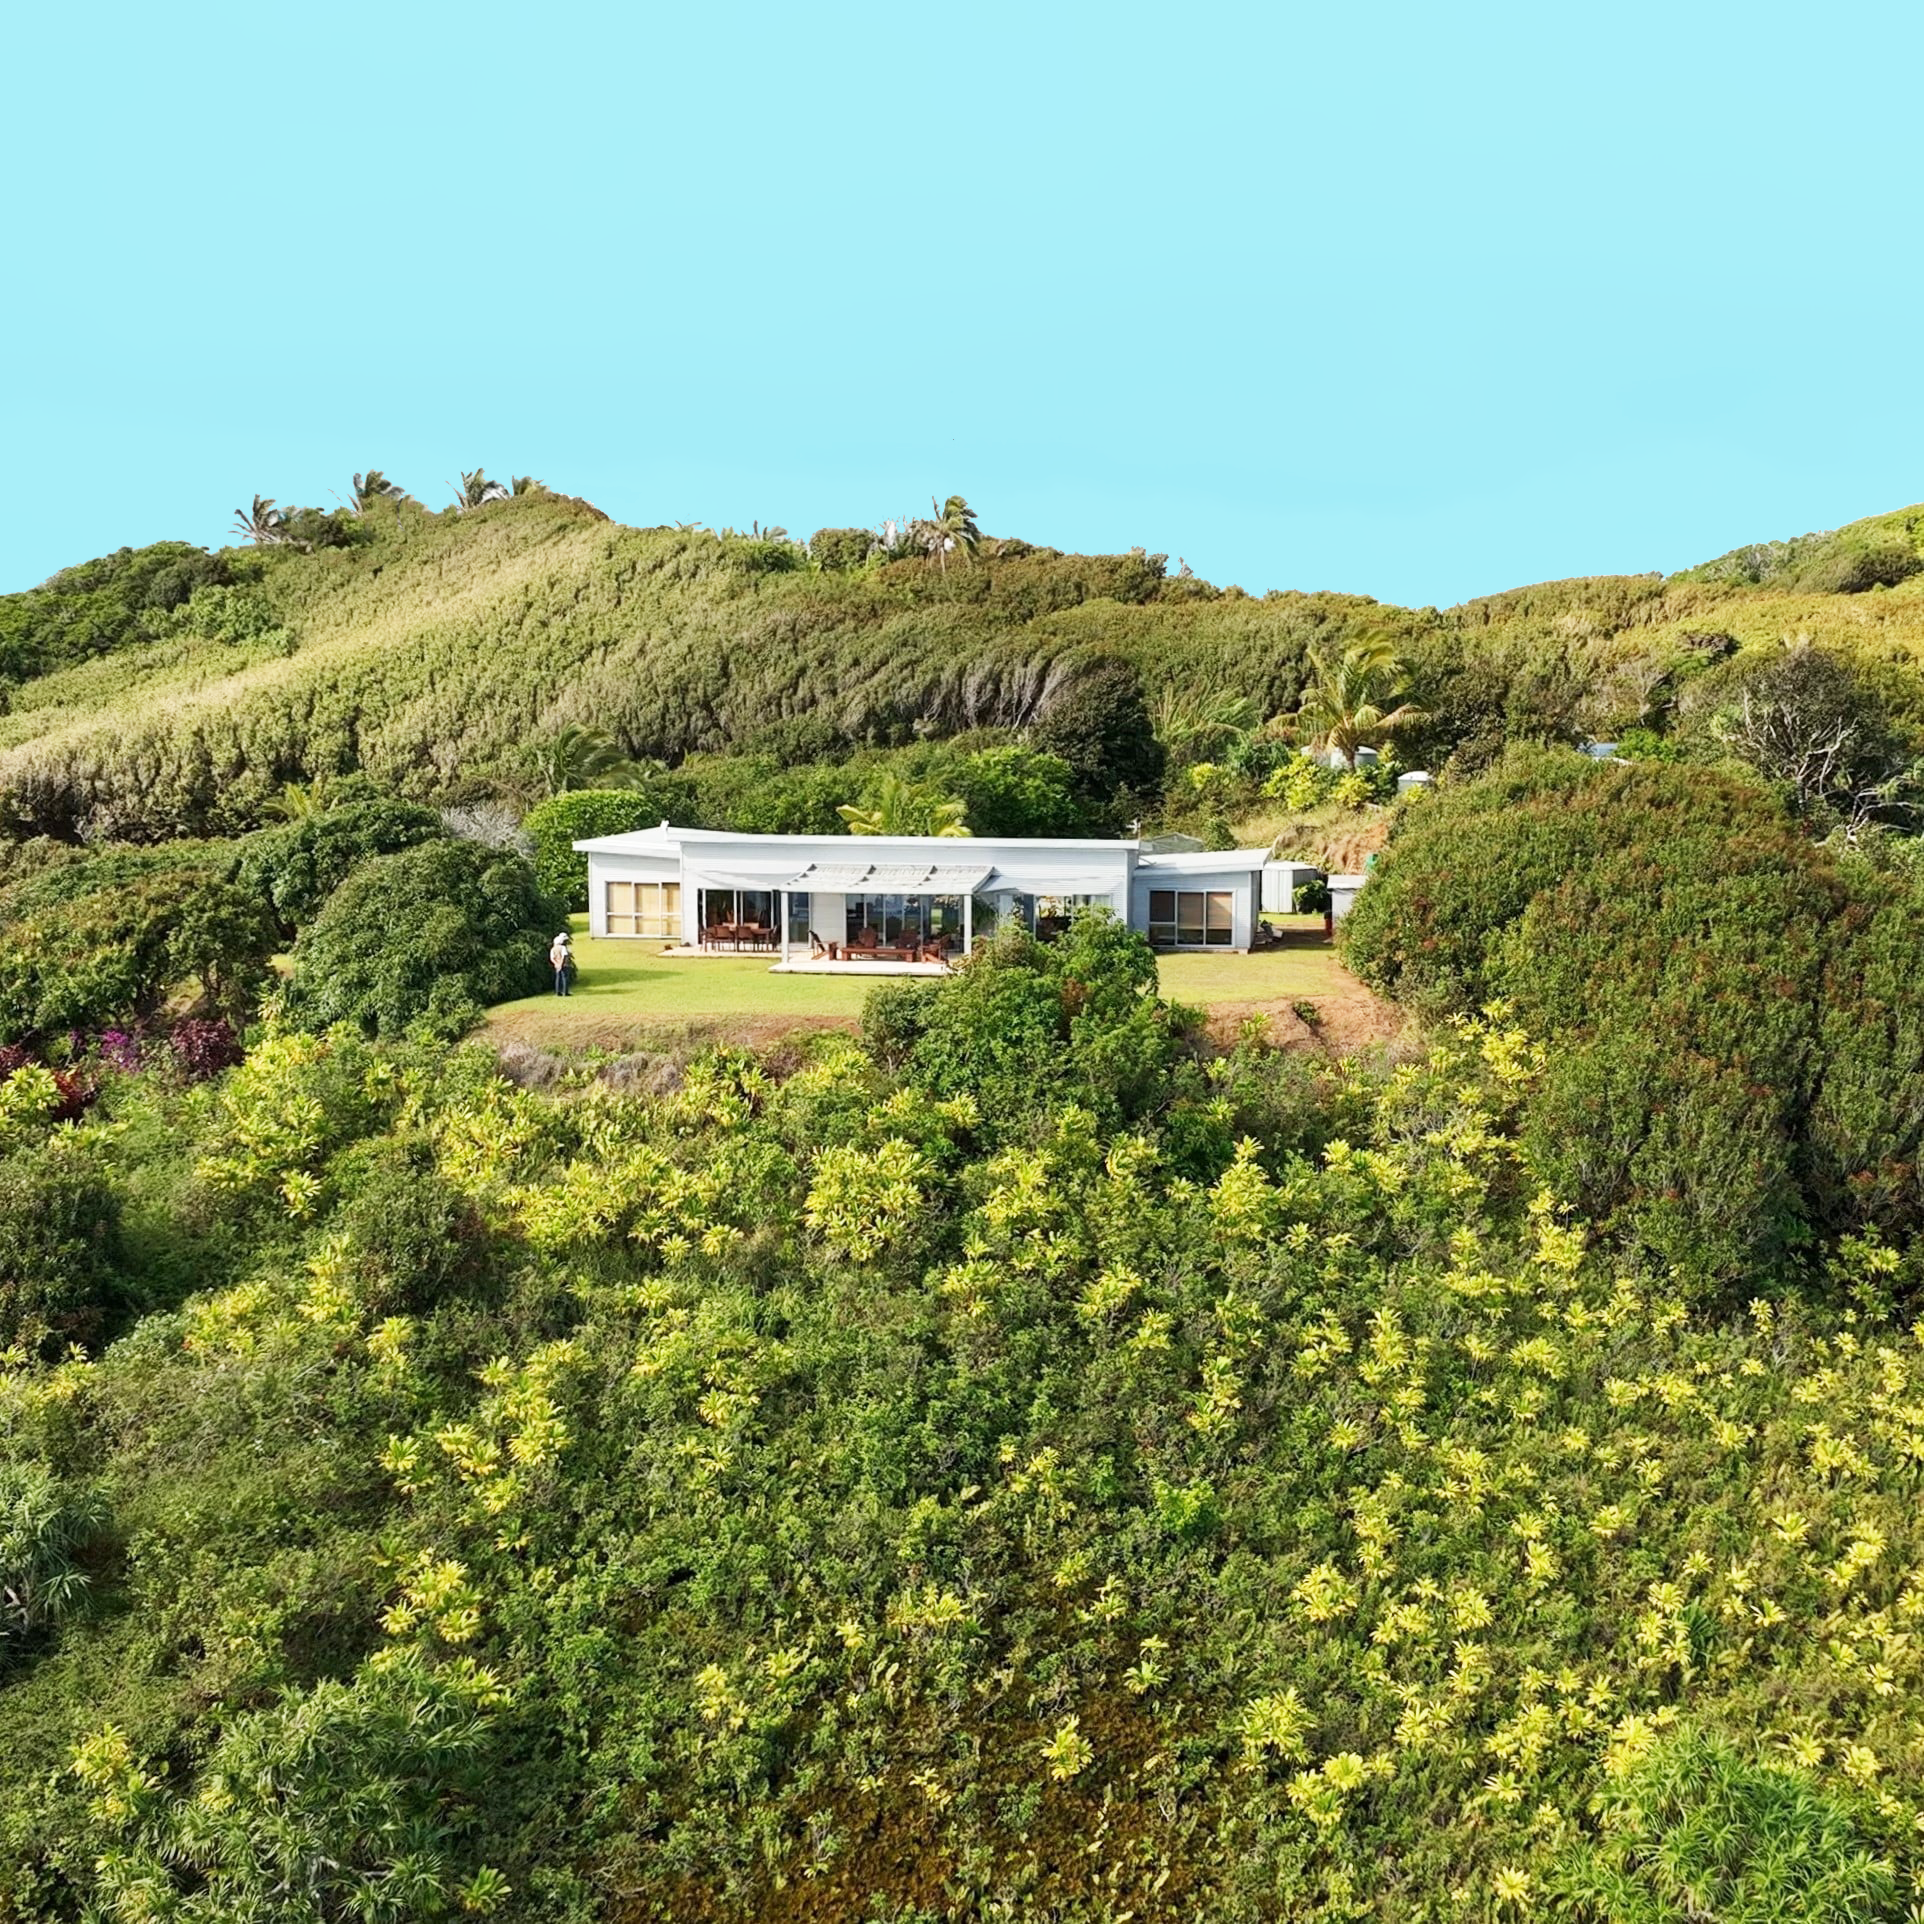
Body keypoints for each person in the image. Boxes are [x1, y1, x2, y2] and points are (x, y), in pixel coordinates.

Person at [550, 931, 573, 997]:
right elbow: (563, 956)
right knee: (565, 978)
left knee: (558, 978)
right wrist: (561, 964)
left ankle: (557, 992)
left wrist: (556, 964)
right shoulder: (563, 948)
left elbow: (552, 958)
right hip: (564, 965)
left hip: (557, 965)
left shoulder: (553, 949)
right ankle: (565, 992)